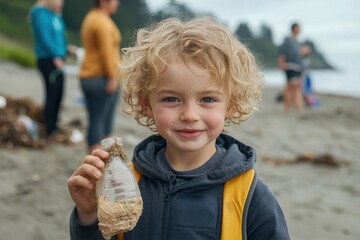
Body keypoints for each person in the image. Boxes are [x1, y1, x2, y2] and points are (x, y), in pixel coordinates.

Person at [68, 17, 291, 240]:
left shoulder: (250, 195)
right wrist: (88, 216)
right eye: (172, 99)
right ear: (147, 104)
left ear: (230, 105)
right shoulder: (125, 184)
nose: (190, 115)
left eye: (208, 99)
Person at [79, 0, 121, 153]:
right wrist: (112, 77)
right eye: (115, 1)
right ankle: (98, 157)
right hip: (101, 77)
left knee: (95, 117)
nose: (117, 3)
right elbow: (107, 54)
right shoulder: (102, 22)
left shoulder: (90, 17)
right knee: (101, 120)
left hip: (88, 76)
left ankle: (97, 154)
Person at [29, 0, 76, 137]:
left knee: (59, 93)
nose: (62, 3)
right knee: (52, 94)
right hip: (48, 60)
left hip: (57, 59)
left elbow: (58, 39)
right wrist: (56, 56)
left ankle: (54, 125)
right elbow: (45, 38)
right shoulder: (41, 14)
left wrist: (65, 50)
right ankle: (50, 128)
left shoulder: (55, 16)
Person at [278, 22, 311, 111]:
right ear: (294, 28)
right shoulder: (288, 41)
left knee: (296, 87)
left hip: (298, 67)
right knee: (291, 87)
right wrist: (281, 64)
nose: (300, 30)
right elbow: (282, 53)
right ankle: (288, 106)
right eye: (298, 28)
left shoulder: (297, 42)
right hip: (290, 67)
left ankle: (296, 105)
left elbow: (298, 54)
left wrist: (305, 52)